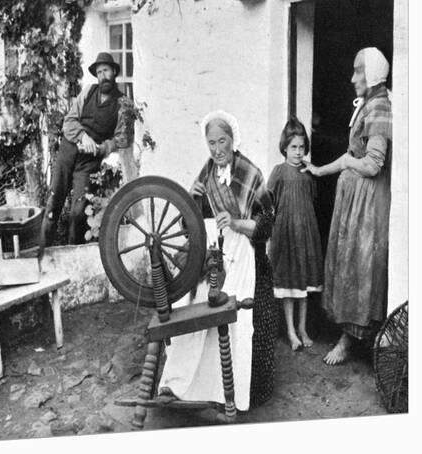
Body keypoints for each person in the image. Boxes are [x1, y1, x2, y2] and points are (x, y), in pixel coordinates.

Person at [158, 110, 277, 411]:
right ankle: (194, 386)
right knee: (197, 309)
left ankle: (242, 390)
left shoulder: (250, 173)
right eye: (211, 142)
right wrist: (192, 198)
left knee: (242, 318)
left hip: (248, 256)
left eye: (222, 141)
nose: (217, 149)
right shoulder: (206, 172)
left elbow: (268, 224)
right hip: (217, 258)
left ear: (233, 139)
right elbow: (189, 228)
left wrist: (236, 223)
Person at [302, 47, 392, 365]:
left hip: (368, 200)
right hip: (356, 197)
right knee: (349, 262)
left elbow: (373, 165)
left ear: (372, 74)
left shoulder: (380, 106)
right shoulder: (370, 103)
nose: (353, 78)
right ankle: (349, 335)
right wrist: (321, 169)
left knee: (360, 265)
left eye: (358, 71)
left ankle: (351, 340)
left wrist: (344, 163)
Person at [39, 52, 132, 251]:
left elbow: (121, 138)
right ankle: (44, 253)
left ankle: (74, 256)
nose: (102, 76)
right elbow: (69, 121)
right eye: (99, 72)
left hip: (90, 160)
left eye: (106, 70)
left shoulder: (122, 103)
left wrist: (102, 148)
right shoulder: (88, 92)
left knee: (79, 211)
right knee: (54, 201)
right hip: (69, 150)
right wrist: (83, 136)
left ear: (114, 72)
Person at [268, 117, 323, 351]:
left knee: (303, 283)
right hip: (286, 233)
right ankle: (290, 330)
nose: (298, 152)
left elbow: (312, 200)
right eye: (293, 147)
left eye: (301, 147)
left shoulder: (308, 172)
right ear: (285, 148)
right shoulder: (279, 172)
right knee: (289, 283)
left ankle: (302, 328)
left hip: (305, 233)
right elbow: (268, 200)